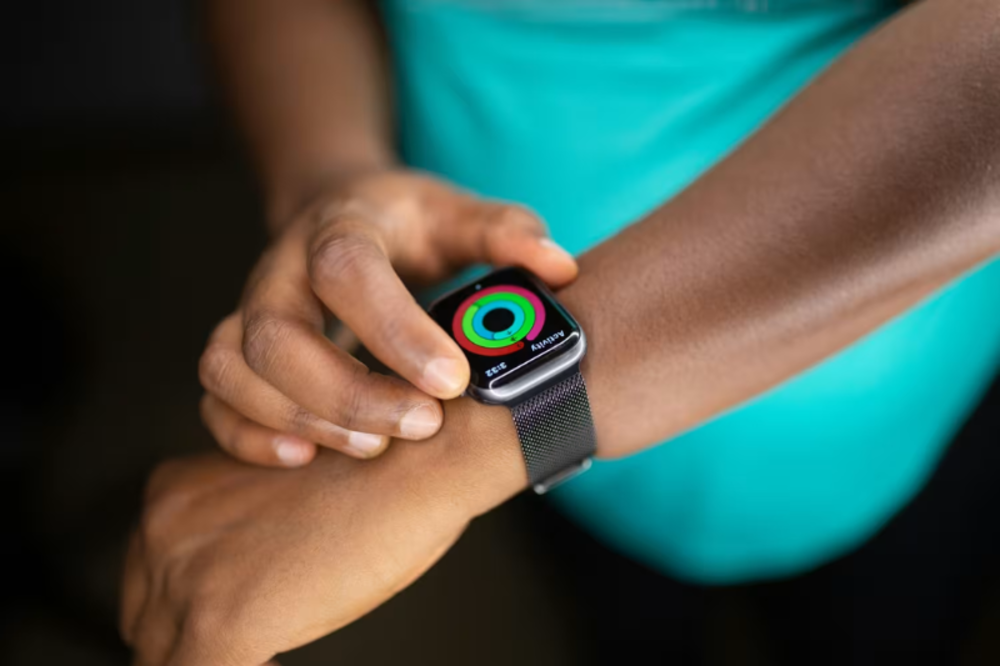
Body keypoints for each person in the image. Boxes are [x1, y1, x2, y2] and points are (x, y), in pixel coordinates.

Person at [120, 0, 1000, 663]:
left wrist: (467, 451)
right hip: (545, 466)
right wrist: (330, 176)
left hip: (895, 431)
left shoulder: (462, 459)